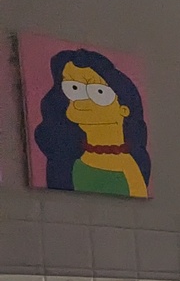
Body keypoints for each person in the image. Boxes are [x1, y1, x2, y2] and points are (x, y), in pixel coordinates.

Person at [33, 47, 150, 198]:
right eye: (74, 89)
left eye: (98, 92)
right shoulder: (68, 163)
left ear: (124, 109)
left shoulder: (130, 167)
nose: (82, 103)